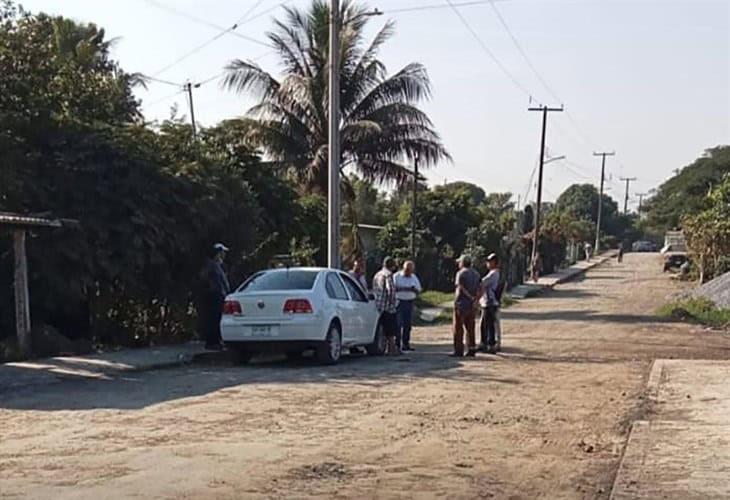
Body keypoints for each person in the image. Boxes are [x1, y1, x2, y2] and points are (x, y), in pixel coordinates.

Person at [198, 243, 231, 350]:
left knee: (217, 318)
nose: (224, 255)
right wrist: (213, 289)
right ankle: (212, 342)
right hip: (214, 296)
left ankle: (216, 341)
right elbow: (206, 278)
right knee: (214, 319)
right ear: (217, 253)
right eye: (222, 252)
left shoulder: (217, 265)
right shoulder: (211, 265)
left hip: (218, 295)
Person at [452, 255, 481, 357]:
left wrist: (465, 298)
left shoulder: (460, 273)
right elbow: (481, 288)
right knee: (470, 327)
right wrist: (476, 299)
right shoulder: (476, 274)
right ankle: (471, 348)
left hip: (461, 303)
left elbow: (460, 287)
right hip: (472, 304)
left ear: (462, 263)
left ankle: (458, 350)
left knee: (458, 328)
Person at [373, 256, 399, 355]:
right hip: (388, 307)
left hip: (378, 305)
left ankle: (384, 348)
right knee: (391, 330)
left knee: (382, 328)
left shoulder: (377, 274)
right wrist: (393, 303)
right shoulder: (388, 275)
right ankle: (391, 349)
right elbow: (390, 290)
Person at [394, 260, 422, 352]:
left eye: (410, 270)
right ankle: (396, 344)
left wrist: (413, 290)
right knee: (398, 324)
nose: (408, 272)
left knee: (407, 324)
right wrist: (406, 288)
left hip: (409, 302)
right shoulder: (397, 276)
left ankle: (405, 344)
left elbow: (418, 290)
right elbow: (393, 289)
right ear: (403, 268)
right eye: (407, 270)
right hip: (399, 302)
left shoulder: (414, 277)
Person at [479, 253, 502, 354]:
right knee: (486, 324)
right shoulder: (494, 273)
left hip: (490, 302)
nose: (487, 263)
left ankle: (490, 344)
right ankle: (486, 343)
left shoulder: (493, 273)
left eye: (489, 261)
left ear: (494, 262)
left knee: (487, 324)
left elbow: (483, 282)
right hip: (489, 301)